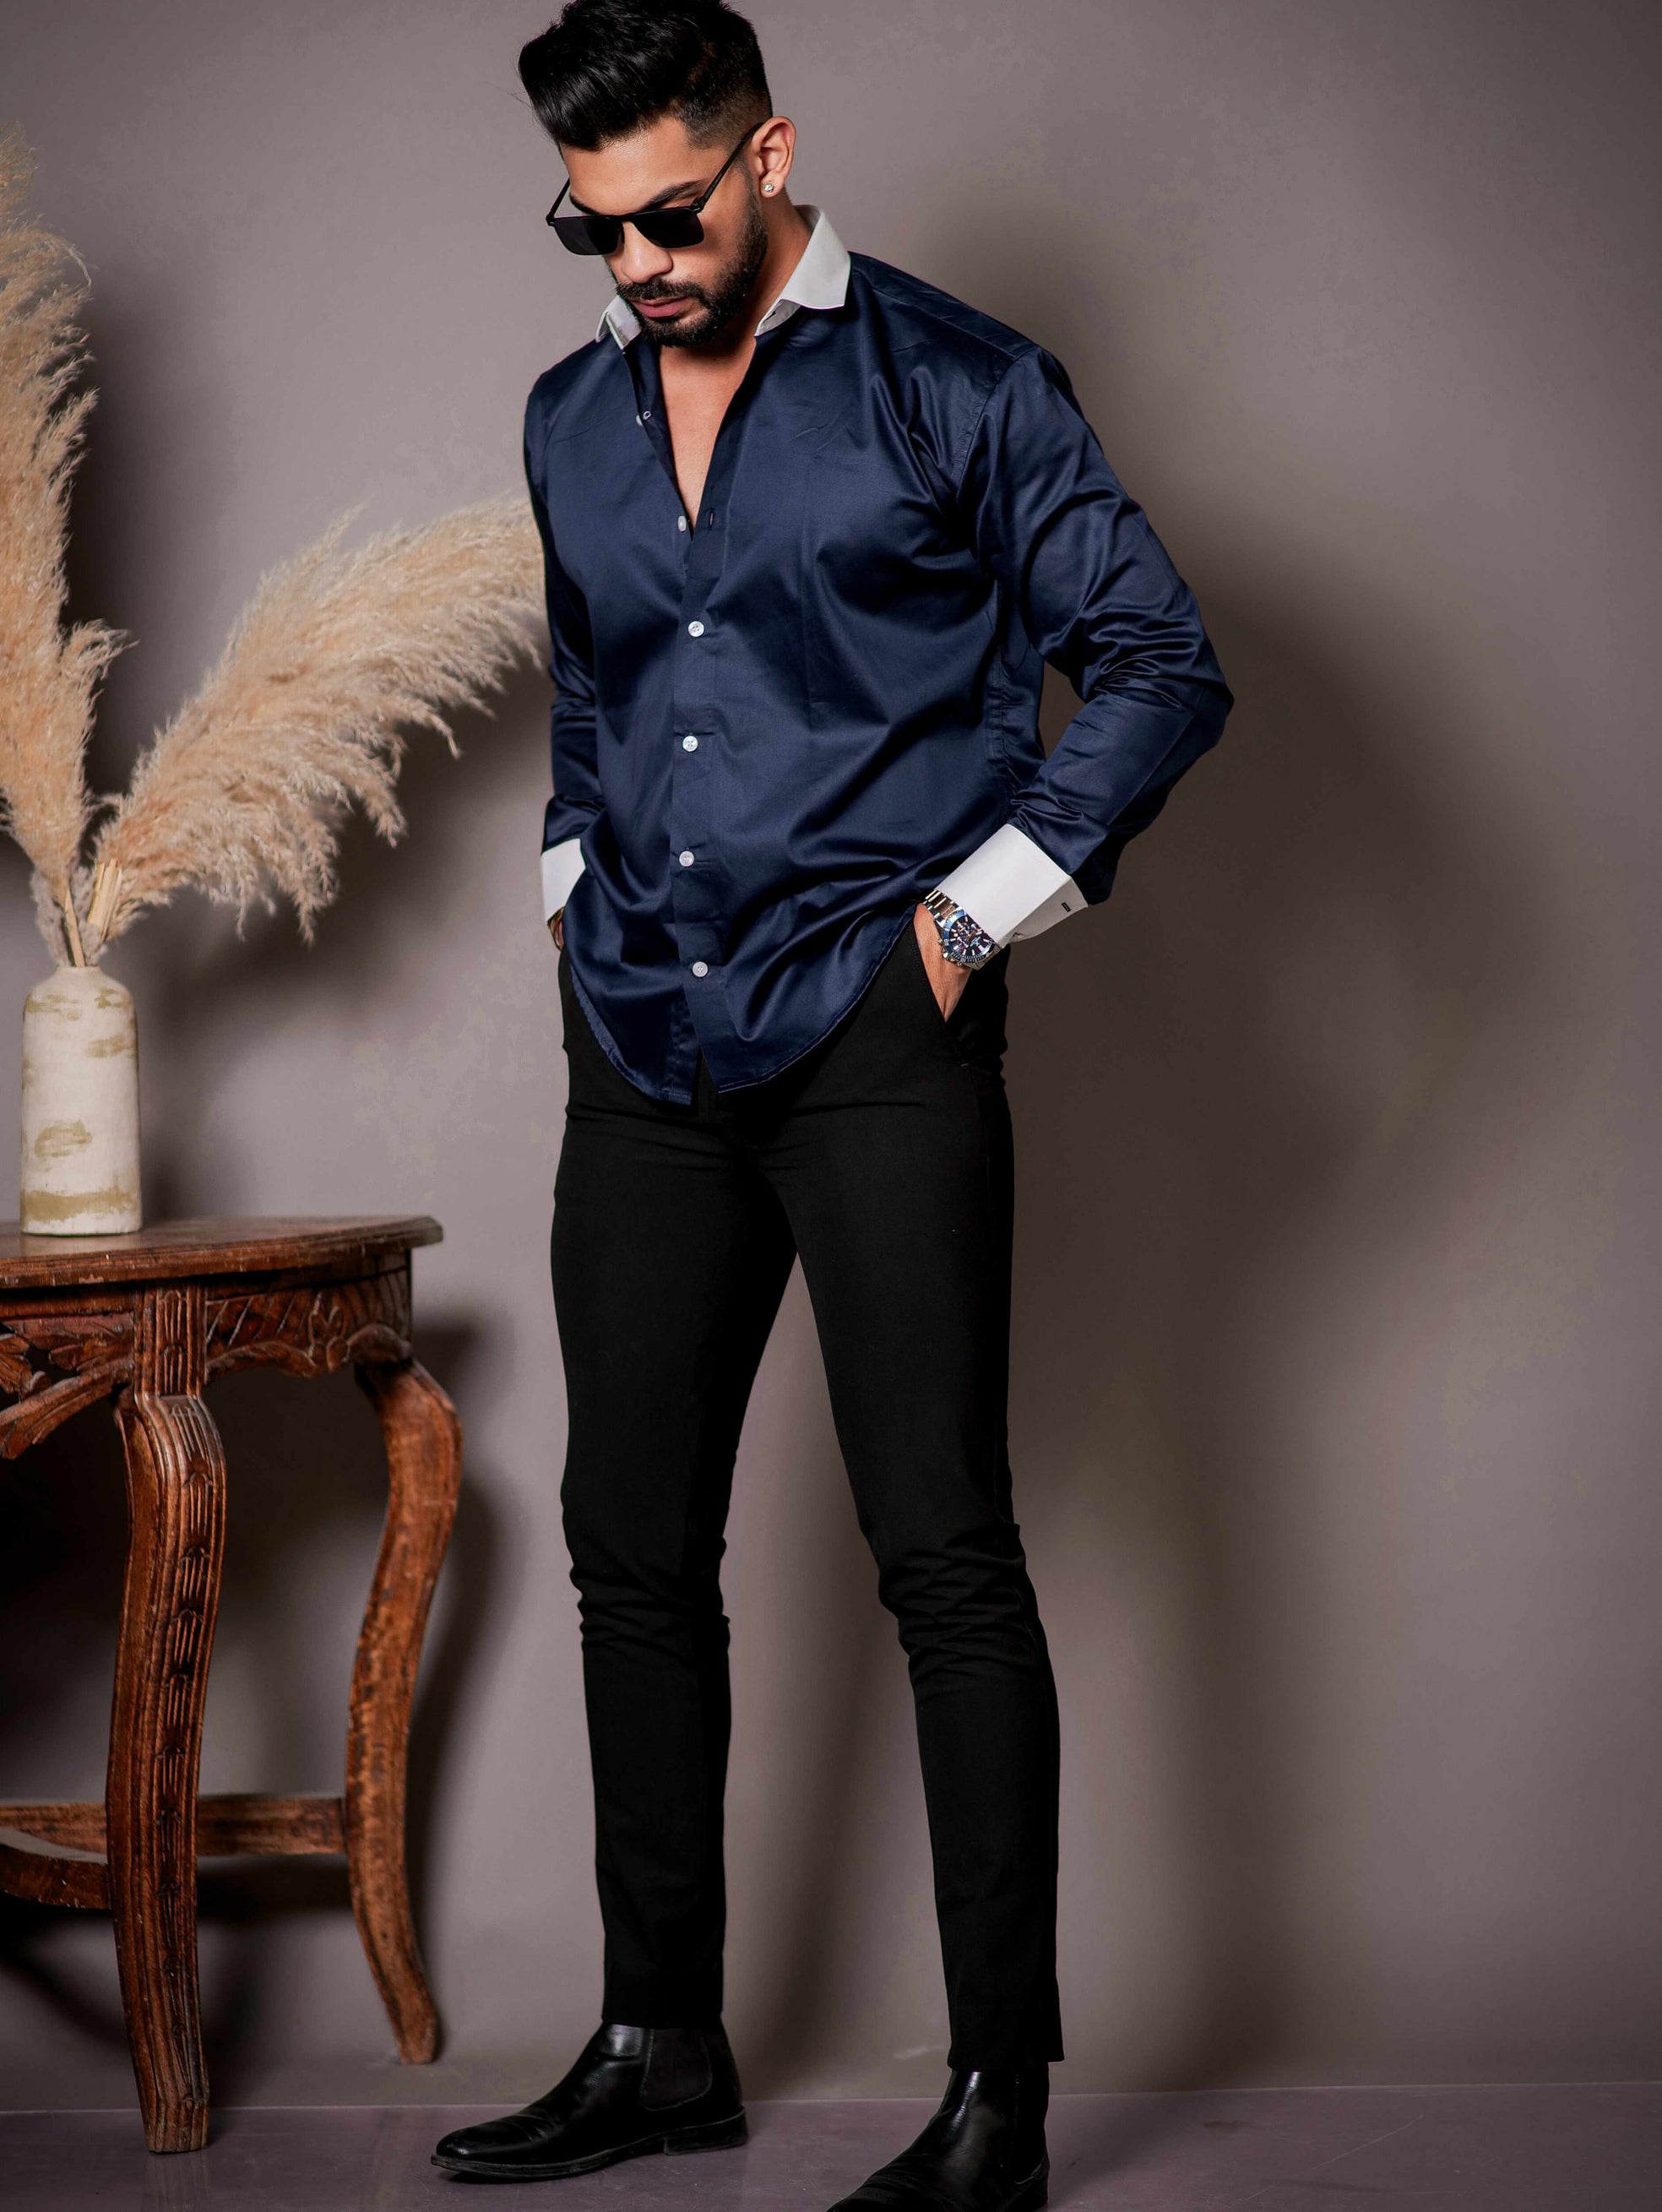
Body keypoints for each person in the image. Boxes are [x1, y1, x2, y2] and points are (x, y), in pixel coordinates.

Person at [432, 4, 1231, 2205]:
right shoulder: (569, 419)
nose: (636, 266)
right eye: (591, 229)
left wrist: (971, 920)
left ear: (771, 154)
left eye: (670, 216)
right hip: (645, 1042)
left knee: (944, 1551)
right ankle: (659, 2038)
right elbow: (597, 692)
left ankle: (996, 2103)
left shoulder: (961, 384)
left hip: (880, 1035)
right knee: (628, 1546)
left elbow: (1159, 660)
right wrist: (573, 880)